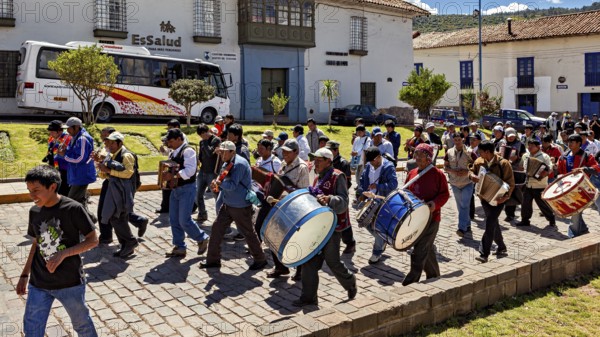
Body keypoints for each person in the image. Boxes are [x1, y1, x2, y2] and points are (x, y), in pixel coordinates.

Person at [17, 165, 98, 337]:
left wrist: (63, 253)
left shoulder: (73, 208)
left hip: (70, 283)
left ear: (52, 186)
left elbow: (93, 240)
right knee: (32, 329)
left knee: (82, 325)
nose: (32, 196)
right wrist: (25, 275)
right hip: (38, 283)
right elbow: (36, 243)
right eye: (29, 190)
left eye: (36, 190)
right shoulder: (35, 211)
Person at [293, 148, 357, 306]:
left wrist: (329, 199)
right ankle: (309, 297)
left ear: (329, 161)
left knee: (333, 261)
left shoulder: (337, 176)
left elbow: (343, 201)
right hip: (317, 226)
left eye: (319, 160)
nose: (316, 162)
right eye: (315, 159)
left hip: (332, 227)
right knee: (309, 262)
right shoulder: (317, 177)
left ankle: (350, 282)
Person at [201, 141, 267, 270]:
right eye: (221, 151)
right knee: (216, 230)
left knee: (248, 233)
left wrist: (219, 184)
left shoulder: (239, 164)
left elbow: (232, 185)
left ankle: (260, 259)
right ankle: (213, 260)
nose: (221, 154)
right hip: (229, 203)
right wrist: (217, 184)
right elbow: (223, 179)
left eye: (224, 152)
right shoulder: (227, 162)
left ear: (232, 152)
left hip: (240, 206)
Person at [402, 144, 449, 285]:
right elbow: (406, 191)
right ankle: (434, 276)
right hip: (415, 218)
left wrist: (434, 204)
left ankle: (410, 281)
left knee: (419, 250)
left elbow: (445, 194)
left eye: (420, 156)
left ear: (429, 158)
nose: (417, 159)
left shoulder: (438, 175)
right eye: (415, 155)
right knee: (426, 247)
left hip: (432, 219)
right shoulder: (412, 173)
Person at [266, 139, 310, 279]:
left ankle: (300, 270)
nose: (284, 154)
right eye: (283, 151)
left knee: (296, 240)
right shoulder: (284, 164)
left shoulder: (302, 168)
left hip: (294, 209)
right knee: (273, 235)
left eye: (287, 152)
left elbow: (304, 192)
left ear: (296, 152)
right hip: (280, 205)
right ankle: (280, 267)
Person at [162, 129, 210, 258]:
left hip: (187, 189)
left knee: (184, 220)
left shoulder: (188, 151)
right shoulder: (173, 152)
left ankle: (201, 238)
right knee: (174, 219)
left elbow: (190, 170)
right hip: (175, 189)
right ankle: (179, 246)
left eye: (171, 141)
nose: (169, 144)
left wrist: (173, 176)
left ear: (179, 139)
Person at [96, 132, 143, 257]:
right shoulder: (111, 155)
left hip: (123, 192)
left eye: (112, 142)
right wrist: (102, 169)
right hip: (115, 190)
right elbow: (106, 175)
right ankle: (126, 244)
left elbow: (128, 173)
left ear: (120, 143)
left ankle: (130, 241)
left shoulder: (126, 155)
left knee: (118, 217)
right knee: (115, 217)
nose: (109, 145)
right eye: (108, 142)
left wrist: (108, 171)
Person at [469, 140, 515, 263]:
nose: (478, 154)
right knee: (493, 223)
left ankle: (484, 253)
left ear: (487, 152)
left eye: (480, 152)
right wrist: (471, 176)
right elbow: (471, 171)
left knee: (489, 223)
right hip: (484, 198)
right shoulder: (479, 162)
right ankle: (501, 246)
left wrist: (504, 198)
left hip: (499, 200)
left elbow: (510, 184)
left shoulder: (504, 164)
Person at [356, 147, 398, 264]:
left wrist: (378, 187)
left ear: (379, 157)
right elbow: (362, 180)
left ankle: (377, 251)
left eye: (373, 161)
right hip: (370, 200)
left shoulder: (388, 167)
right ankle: (383, 238)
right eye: (369, 161)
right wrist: (360, 192)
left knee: (378, 226)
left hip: (382, 201)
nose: (371, 163)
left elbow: (393, 184)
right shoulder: (369, 166)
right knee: (364, 221)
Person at [556, 134, 600, 238]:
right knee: (575, 210)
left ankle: (576, 232)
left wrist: (584, 169)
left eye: (572, 142)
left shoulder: (587, 156)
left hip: (585, 187)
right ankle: (579, 231)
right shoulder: (564, 156)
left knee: (579, 210)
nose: (569, 144)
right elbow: (559, 170)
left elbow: (597, 168)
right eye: (569, 142)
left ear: (579, 144)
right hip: (570, 188)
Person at [57, 117, 96, 222]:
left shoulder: (82, 139)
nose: (67, 131)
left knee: (72, 201)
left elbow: (80, 158)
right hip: (77, 174)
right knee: (79, 202)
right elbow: (73, 152)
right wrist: (66, 149)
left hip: (82, 175)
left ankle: (81, 223)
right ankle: (90, 220)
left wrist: (64, 155)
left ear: (76, 127)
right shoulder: (75, 137)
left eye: (69, 128)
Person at [516, 138, 555, 228]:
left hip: (540, 184)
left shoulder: (545, 156)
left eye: (532, 146)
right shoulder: (525, 155)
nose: (529, 147)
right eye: (528, 145)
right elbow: (521, 166)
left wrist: (542, 174)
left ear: (538, 147)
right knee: (525, 204)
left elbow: (549, 168)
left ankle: (551, 219)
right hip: (527, 183)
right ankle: (525, 220)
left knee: (542, 204)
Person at [444, 133, 477, 237]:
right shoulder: (448, 152)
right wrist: (452, 171)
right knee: (460, 206)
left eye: (459, 139)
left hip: (467, 183)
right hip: (454, 183)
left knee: (464, 205)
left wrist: (467, 172)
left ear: (463, 139)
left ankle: (461, 228)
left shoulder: (470, 152)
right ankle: (467, 224)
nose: (457, 142)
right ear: (453, 140)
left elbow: (477, 166)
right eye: (456, 140)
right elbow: (445, 167)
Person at [327, 140, 356, 254]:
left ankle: (350, 243)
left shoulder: (343, 163)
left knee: (344, 221)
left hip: (340, 196)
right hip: (328, 196)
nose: (329, 153)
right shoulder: (327, 161)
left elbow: (348, 182)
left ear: (336, 150)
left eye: (330, 151)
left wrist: (338, 190)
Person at [156, 119, 186, 214]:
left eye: (170, 128)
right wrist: (163, 150)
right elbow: (169, 152)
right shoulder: (172, 140)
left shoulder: (182, 140)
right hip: (171, 166)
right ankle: (165, 207)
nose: (168, 130)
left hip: (177, 170)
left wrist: (175, 175)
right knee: (166, 188)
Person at [196, 124, 221, 222]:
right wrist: (198, 159)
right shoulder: (202, 142)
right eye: (200, 135)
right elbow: (202, 155)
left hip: (212, 173)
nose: (202, 137)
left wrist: (206, 141)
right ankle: (202, 213)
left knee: (216, 195)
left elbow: (210, 153)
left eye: (203, 134)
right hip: (203, 171)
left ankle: (220, 217)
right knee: (198, 194)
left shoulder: (216, 140)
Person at [44, 120, 72, 196]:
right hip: (55, 167)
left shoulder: (67, 139)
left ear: (59, 131)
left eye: (52, 132)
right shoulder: (53, 138)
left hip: (64, 169)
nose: (50, 134)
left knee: (63, 190)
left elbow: (67, 153)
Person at [351, 125, 372, 198]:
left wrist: (357, 153)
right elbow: (353, 148)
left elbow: (366, 149)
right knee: (356, 176)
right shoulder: (356, 139)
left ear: (364, 132)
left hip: (363, 161)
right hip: (356, 160)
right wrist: (353, 155)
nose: (359, 133)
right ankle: (359, 188)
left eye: (360, 131)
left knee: (361, 176)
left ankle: (360, 192)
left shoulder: (368, 139)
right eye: (357, 132)